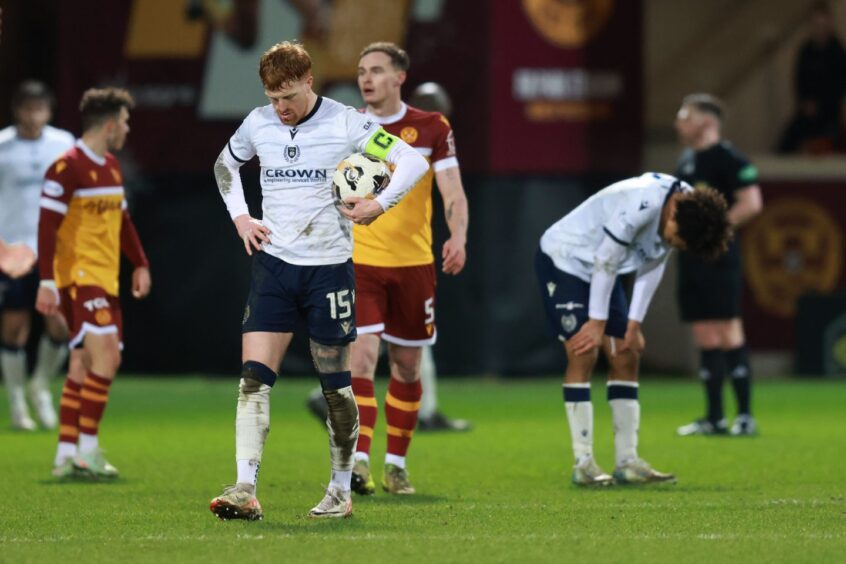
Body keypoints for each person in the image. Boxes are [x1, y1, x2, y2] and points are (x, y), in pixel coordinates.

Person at [208, 41, 427, 520]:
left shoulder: (347, 122)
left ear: (309, 80)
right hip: (274, 266)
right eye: (272, 97)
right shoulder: (258, 123)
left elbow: (412, 161)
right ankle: (245, 487)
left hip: (328, 270)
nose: (280, 108)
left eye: (287, 96)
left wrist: (378, 204)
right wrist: (242, 218)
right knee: (252, 381)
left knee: (336, 388)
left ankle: (340, 490)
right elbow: (225, 166)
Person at [536, 173, 731, 485]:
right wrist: (597, 323)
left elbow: (654, 261)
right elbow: (605, 257)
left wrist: (634, 324)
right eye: (674, 237)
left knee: (626, 354)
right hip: (567, 258)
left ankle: (627, 461)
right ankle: (583, 462)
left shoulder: (690, 209)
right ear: (671, 212)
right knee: (583, 351)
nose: (671, 243)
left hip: (607, 269)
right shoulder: (642, 202)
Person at [342, 43, 469, 497]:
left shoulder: (432, 127)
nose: (366, 78)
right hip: (362, 263)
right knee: (360, 357)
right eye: (361, 71)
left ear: (400, 77)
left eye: (376, 70)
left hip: (414, 264)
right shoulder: (349, 126)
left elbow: (452, 192)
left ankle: (396, 464)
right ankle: (358, 461)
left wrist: (458, 236)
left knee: (409, 366)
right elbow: (333, 189)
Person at [36, 87, 151, 479]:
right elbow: (46, 226)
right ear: (109, 125)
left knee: (83, 365)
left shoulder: (110, 166)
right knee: (108, 359)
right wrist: (47, 281)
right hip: (79, 277)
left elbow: (122, 221)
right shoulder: (67, 168)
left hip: (106, 280)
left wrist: (140, 262)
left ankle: (65, 454)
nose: (127, 128)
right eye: (124, 121)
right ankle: (87, 451)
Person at [673, 94, 763, 437]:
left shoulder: (728, 158)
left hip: (719, 255)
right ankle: (714, 417)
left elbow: (752, 203)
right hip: (690, 257)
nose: (679, 123)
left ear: (706, 122)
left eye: (686, 116)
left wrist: (714, 228)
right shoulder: (685, 161)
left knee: (727, 328)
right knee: (704, 332)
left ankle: (744, 416)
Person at [0, 81, 75, 431]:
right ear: (17, 110)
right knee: (14, 327)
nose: (32, 115)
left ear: (48, 110)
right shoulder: (2, 145)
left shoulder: (63, 145)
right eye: (26, 108)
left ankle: (40, 384)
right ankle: (16, 401)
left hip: (54, 250)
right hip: (12, 252)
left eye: (39, 108)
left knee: (59, 323)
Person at [777, 1, 846, 154]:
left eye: (823, 23)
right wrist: (805, 102)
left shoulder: (837, 51)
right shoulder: (806, 51)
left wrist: (823, 102)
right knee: (787, 140)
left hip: (830, 112)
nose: (820, 28)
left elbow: (840, 84)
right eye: (816, 24)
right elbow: (799, 81)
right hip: (807, 111)